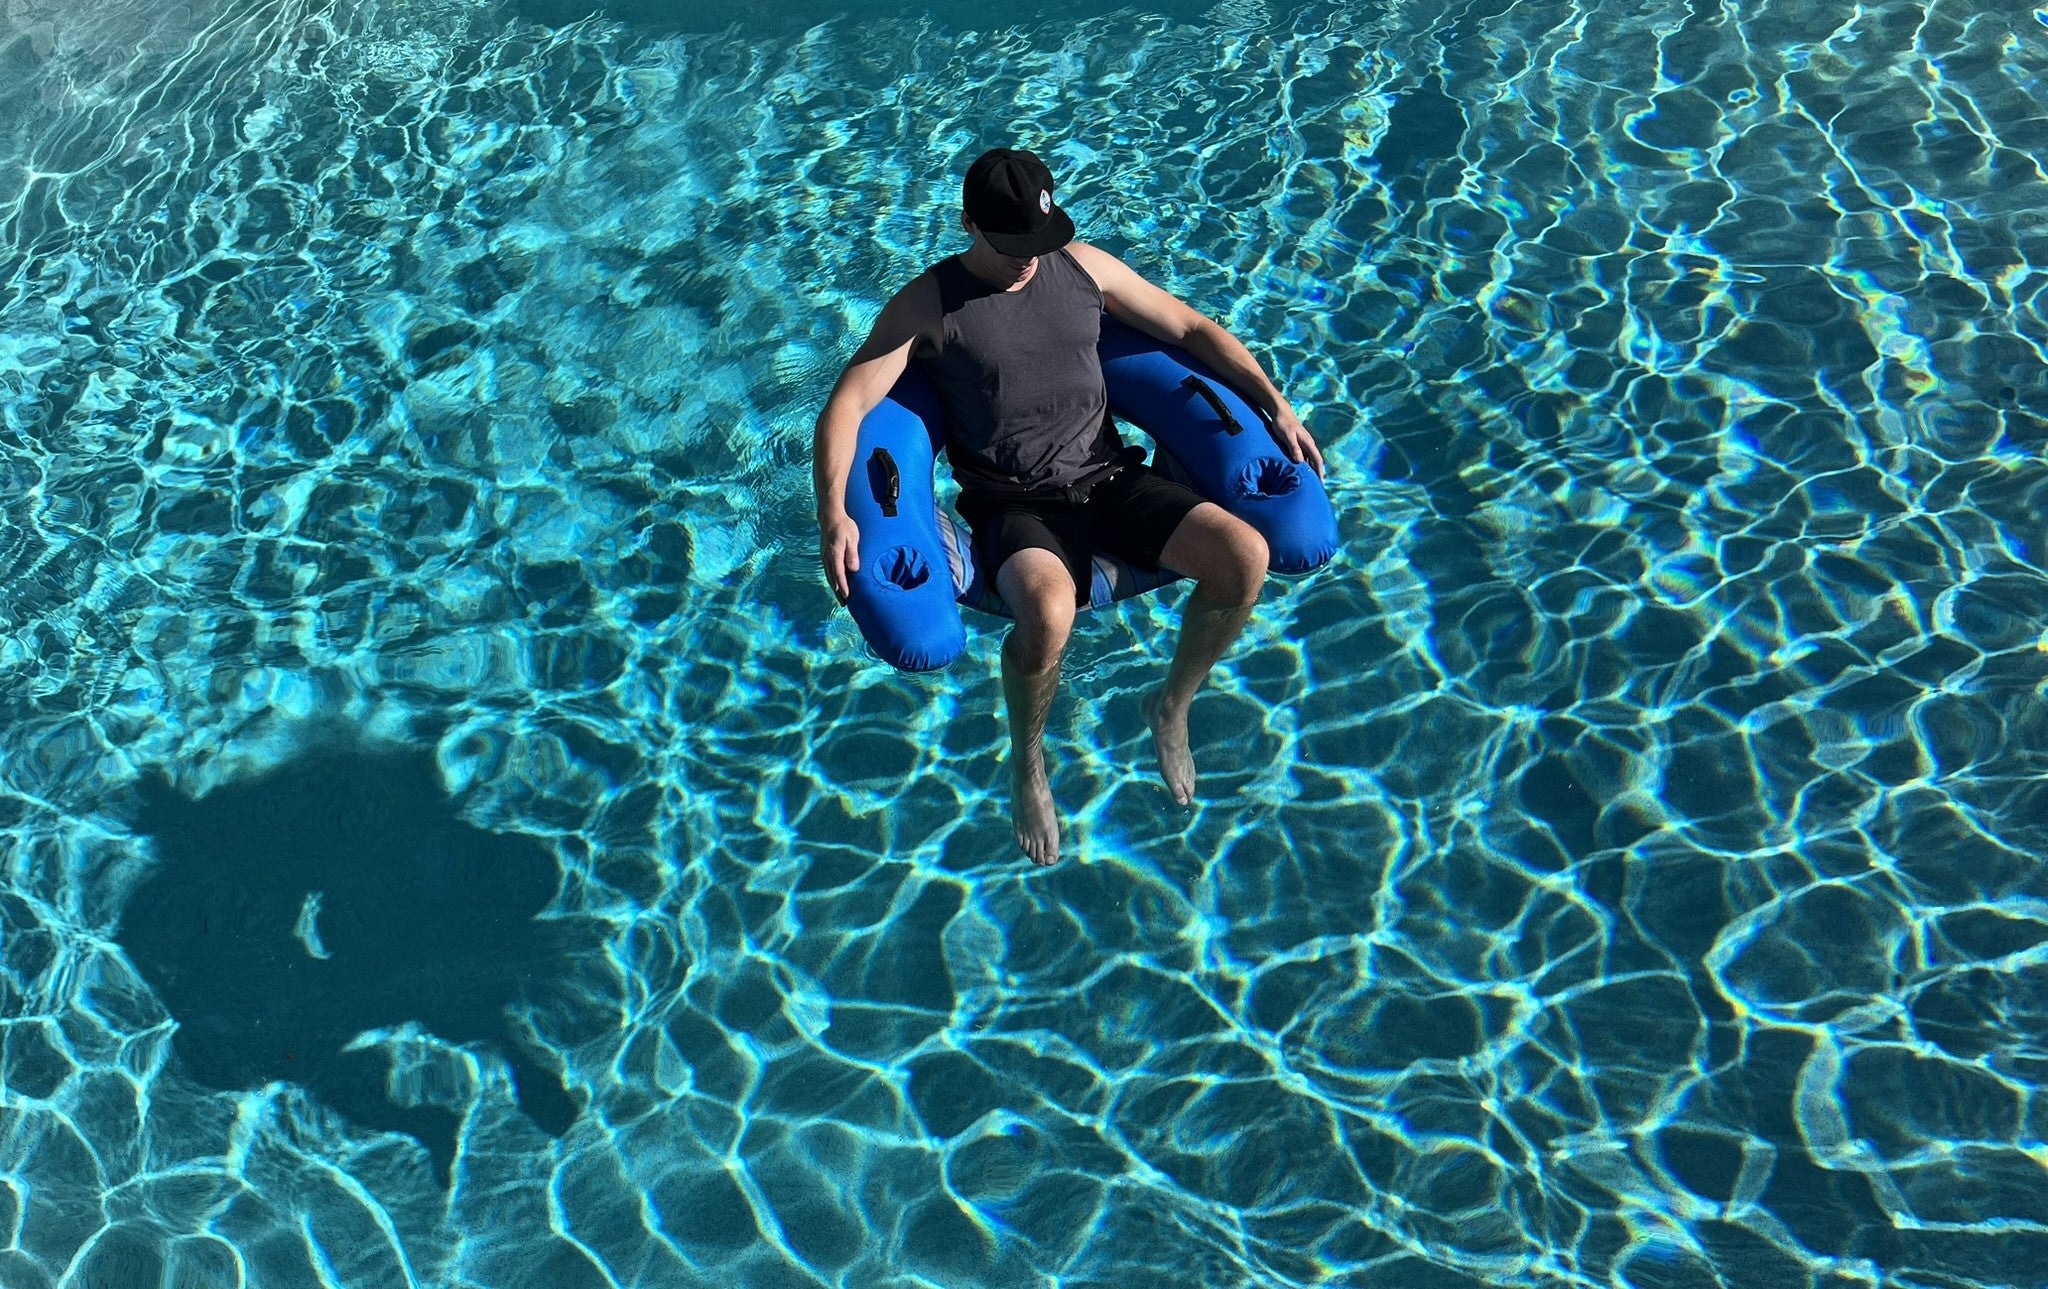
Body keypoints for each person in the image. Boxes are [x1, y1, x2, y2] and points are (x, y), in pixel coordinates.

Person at [812, 147, 1325, 866]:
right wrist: (835, 510)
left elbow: (1190, 329)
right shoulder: (931, 303)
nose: (1028, 259)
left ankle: (1170, 704)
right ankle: (1028, 760)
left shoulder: (1083, 267)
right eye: (1010, 244)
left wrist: (1274, 404)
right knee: (1049, 612)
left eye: (1038, 240)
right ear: (967, 224)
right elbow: (850, 402)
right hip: (1015, 505)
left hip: (1109, 477)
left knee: (1247, 556)